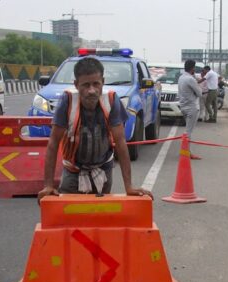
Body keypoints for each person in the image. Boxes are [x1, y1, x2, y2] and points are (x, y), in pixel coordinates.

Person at [37, 57, 152, 200]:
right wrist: (48, 185)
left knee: (101, 216)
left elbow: (121, 143)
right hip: (73, 172)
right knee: (70, 217)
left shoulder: (111, 99)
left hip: (103, 170)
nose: (91, 90)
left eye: (96, 84)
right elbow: (53, 143)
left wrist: (129, 187)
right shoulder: (67, 100)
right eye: (85, 85)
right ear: (76, 85)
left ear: (103, 82)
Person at [177, 60, 203, 160]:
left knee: (187, 130)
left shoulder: (181, 77)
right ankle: (186, 152)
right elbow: (200, 93)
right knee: (188, 132)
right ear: (193, 68)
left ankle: (186, 152)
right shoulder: (190, 79)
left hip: (183, 106)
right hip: (192, 107)